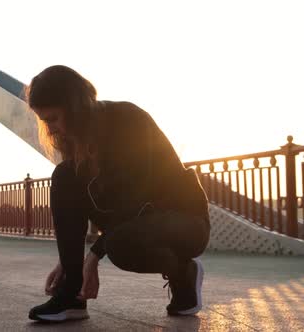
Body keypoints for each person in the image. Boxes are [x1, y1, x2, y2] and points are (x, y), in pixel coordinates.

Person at [26, 65, 210, 322]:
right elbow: (88, 201)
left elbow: (140, 200)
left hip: (183, 220)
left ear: (74, 107)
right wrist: (70, 267)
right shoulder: (77, 139)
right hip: (133, 222)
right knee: (64, 176)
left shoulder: (129, 120)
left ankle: (184, 273)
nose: (51, 129)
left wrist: (94, 256)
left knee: (120, 246)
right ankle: (72, 298)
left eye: (54, 119)